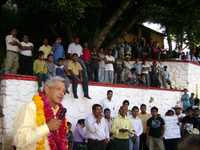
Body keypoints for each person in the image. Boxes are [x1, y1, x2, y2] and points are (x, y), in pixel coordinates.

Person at [13, 76, 68, 149]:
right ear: (47, 89)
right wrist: (47, 127)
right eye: (58, 89)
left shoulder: (59, 112)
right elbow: (19, 140)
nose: (62, 94)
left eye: (64, 91)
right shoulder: (31, 107)